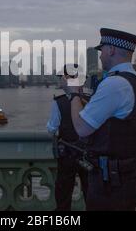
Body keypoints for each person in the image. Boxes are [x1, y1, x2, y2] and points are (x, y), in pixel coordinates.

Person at [64, 28, 136, 211]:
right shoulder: (135, 80)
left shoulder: (114, 84)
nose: (101, 56)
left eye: (101, 50)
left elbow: (81, 128)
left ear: (111, 50)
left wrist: (73, 94)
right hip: (128, 175)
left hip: (111, 182)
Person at [47, 64, 89, 211]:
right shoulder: (91, 100)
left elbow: (52, 129)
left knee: (63, 194)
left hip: (67, 154)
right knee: (91, 192)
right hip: (89, 154)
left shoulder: (59, 102)